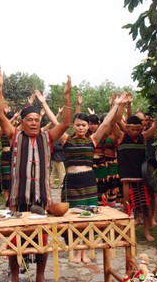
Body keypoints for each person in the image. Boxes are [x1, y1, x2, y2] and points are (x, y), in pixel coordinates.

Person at [0, 65, 72, 282]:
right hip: (18, 200)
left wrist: (67, 96)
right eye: (30, 120)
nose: (35, 123)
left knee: (41, 239)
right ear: (22, 122)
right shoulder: (14, 136)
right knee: (14, 240)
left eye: (37, 120)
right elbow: (0, 114)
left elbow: (66, 122)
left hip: (41, 199)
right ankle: (16, 277)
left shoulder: (47, 138)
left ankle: (39, 276)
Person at [39, 90, 122, 264]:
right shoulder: (66, 139)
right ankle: (77, 251)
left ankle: (86, 252)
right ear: (74, 126)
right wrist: (43, 103)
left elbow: (106, 122)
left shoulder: (93, 140)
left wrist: (116, 105)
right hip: (71, 183)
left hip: (88, 181)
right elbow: (56, 121)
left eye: (84, 125)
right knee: (73, 217)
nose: (81, 127)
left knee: (88, 216)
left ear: (87, 126)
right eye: (78, 125)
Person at [114, 95, 157, 242]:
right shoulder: (121, 136)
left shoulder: (143, 136)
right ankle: (125, 233)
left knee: (145, 207)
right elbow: (116, 120)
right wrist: (121, 104)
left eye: (138, 129)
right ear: (127, 127)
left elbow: (156, 124)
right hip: (127, 179)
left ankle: (146, 232)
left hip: (142, 177)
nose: (136, 132)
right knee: (127, 207)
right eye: (133, 129)